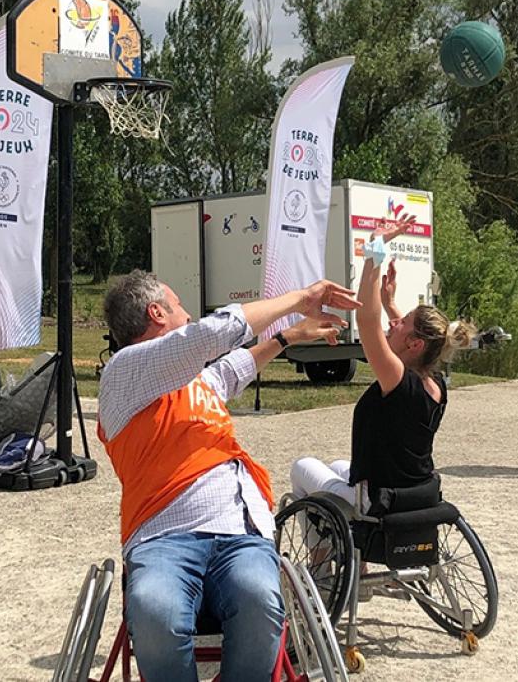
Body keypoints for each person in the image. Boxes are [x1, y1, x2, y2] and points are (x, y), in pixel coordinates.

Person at [97, 270, 360, 682]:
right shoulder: (124, 374)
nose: (186, 313)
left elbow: (232, 369)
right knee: (154, 610)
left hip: (238, 529)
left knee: (260, 597)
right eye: (179, 305)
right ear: (156, 313)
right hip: (163, 535)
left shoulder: (190, 380)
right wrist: (301, 297)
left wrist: (288, 337)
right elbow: (210, 337)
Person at [290, 217, 475, 515]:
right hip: (415, 491)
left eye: (402, 322)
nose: (394, 322)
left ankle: (322, 559)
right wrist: (390, 303)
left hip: (378, 498)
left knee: (302, 467)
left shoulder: (397, 380)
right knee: (338, 466)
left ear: (415, 344)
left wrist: (375, 247)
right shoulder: (433, 382)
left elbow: (366, 320)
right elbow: (412, 335)